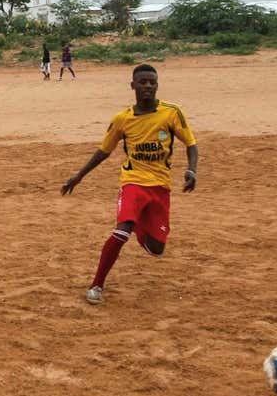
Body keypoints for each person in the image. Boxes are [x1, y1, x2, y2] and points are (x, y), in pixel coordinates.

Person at [60, 64, 197, 305]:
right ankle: (96, 285)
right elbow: (104, 151)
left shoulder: (172, 113)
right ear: (132, 86)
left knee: (157, 249)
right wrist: (79, 175)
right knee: (122, 230)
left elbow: (191, 144)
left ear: (157, 85)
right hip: (133, 182)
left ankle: (139, 226)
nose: (147, 86)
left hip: (161, 187)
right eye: (142, 82)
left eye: (152, 82)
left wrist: (191, 170)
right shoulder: (122, 119)